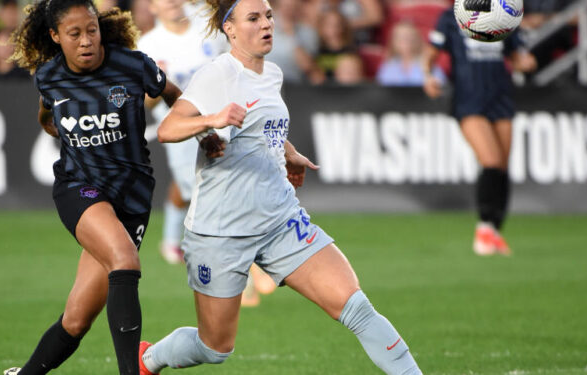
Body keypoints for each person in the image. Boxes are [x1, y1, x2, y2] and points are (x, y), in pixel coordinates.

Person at [138, 0, 423, 373]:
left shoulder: (271, 74)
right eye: (253, 18)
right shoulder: (218, 74)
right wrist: (213, 118)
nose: (266, 24)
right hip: (220, 230)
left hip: (279, 219)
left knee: (356, 308)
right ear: (231, 29)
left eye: (269, 16)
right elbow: (168, 129)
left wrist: (288, 153)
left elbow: (262, 126)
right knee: (215, 347)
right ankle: (148, 360)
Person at [1, 1, 180, 374]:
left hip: (133, 196)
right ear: (55, 37)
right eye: (75, 34)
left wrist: (204, 136)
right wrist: (66, 135)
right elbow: (47, 116)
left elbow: (174, 95)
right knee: (125, 260)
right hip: (80, 188)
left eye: (92, 30)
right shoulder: (49, 77)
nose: (86, 41)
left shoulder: (133, 65)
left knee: (77, 320)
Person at [423, 8, 536, 255]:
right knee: (491, 161)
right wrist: (428, 76)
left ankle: (495, 229)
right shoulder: (451, 16)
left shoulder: (505, 13)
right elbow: (431, 52)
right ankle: (484, 226)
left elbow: (516, 56)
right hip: (469, 99)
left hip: (501, 96)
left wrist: (525, 62)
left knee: (503, 166)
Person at [137, 0, 227, 265]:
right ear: (152, 7)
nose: (173, 2)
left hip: (220, 116)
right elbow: (145, 101)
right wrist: (159, 83)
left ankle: (174, 241)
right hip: (180, 125)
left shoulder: (208, 27)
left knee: (211, 180)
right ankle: (219, 255)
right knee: (198, 187)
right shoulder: (149, 46)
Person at [377, 20, 445, 86]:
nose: (405, 40)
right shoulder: (389, 65)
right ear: (393, 41)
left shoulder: (428, 63)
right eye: (400, 37)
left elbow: (441, 89)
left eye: (409, 36)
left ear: (417, 39)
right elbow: (381, 91)